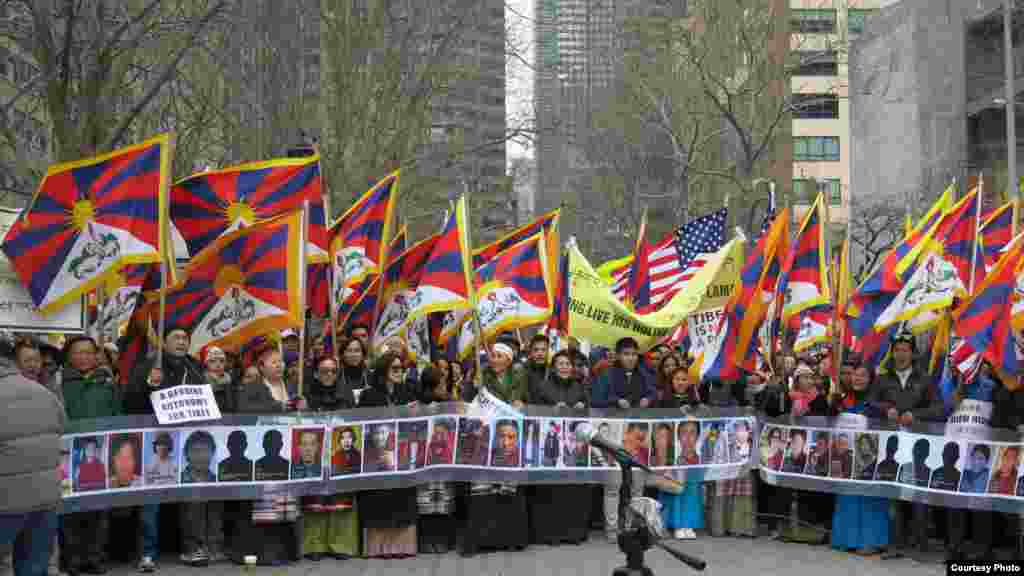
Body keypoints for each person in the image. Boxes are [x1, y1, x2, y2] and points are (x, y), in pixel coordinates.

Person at [229, 346, 303, 566]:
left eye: (281, 362)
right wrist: (278, 407)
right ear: (261, 367)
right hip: (261, 452)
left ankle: (285, 551)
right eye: (273, 362)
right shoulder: (252, 388)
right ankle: (260, 553)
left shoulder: (291, 386)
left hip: (286, 452)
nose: (279, 365)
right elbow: (242, 410)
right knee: (262, 507)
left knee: (284, 504)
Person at [457, 343, 530, 556]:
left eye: (499, 356)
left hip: (508, 441)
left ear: (508, 360)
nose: (494, 359)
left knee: (508, 491)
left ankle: (508, 540)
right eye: (493, 356)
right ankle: (478, 541)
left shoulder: (519, 380)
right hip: (484, 441)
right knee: (482, 492)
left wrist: (521, 403)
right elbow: (467, 403)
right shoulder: (480, 377)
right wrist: (472, 387)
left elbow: (526, 403)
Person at [0, 345, 64, 576]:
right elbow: (61, 426)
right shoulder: (43, 392)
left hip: (6, 500)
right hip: (44, 499)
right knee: (34, 567)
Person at [60, 336, 119, 576]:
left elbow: (118, 413)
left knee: (98, 509)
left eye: (88, 352)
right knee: (71, 510)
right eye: (77, 353)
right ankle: (72, 560)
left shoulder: (107, 382)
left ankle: (95, 558)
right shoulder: (59, 382)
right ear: (69, 357)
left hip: (101, 454)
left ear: (96, 356)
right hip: (70, 453)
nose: (83, 357)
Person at [591, 337, 655, 540]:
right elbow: (595, 399)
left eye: (634, 354)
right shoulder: (607, 374)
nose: (630, 358)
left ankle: (632, 527)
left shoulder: (644, 375)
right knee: (613, 485)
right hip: (613, 436)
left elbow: (655, 394)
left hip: (637, 437)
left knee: (637, 485)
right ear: (618, 355)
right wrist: (616, 401)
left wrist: (649, 399)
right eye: (626, 354)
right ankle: (611, 529)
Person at [357, 352, 418, 558]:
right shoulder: (369, 394)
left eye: (401, 368)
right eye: (395, 368)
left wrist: (414, 413)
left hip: (401, 456)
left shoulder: (408, 392)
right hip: (377, 457)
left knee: (402, 500)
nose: (399, 372)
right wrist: (399, 412)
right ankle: (378, 549)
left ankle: (401, 548)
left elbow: (416, 424)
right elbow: (363, 423)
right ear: (384, 371)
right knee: (379, 502)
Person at [529, 349, 591, 546]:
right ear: (554, 367)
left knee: (572, 488)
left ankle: (574, 533)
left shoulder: (579, 387)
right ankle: (549, 534)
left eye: (567, 364)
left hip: (572, 446)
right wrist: (550, 411)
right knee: (551, 488)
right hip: (551, 446)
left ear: (572, 367)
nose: (564, 367)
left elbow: (589, 413)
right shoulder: (543, 387)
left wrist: (582, 408)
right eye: (560, 363)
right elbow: (533, 411)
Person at [302, 357, 359, 561]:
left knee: (340, 501)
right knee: (314, 501)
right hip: (315, 455)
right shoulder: (306, 395)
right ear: (316, 373)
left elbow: (355, 423)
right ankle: (314, 545)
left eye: (333, 371)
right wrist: (301, 409)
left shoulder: (346, 396)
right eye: (324, 371)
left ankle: (341, 545)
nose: (329, 375)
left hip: (338, 454)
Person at [830, 363, 889, 556]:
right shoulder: (845, 399)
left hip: (869, 457)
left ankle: (871, 541)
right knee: (848, 497)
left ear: (871, 379)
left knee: (869, 499)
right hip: (848, 457)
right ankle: (846, 539)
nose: (857, 378)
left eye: (863, 375)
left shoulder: (876, 401)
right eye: (855, 374)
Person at [659, 368, 704, 540]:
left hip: (692, 454)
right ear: (671, 381)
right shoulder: (664, 400)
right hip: (673, 452)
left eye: (684, 379)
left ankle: (689, 524)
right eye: (677, 379)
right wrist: (678, 412)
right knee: (675, 487)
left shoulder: (695, 401)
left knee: (691, 489)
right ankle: (676, 524)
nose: (680, 382)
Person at [416, 368, 456, 554]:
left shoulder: (450, 403)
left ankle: (444, 540)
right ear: (430, 387)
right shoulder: (416, 406)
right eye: (440, 385)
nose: (444, 387)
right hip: (425, 462)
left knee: (444, 502)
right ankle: (426, 541)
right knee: (426, 503)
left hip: (444, 460)